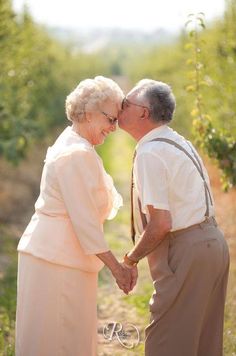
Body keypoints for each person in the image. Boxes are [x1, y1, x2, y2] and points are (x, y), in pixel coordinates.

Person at [15, 76, 137, 356]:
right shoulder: (76, 153)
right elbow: (85, 223)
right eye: (111, 119)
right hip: (57, 259)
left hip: (59, 256)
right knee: (60, 339)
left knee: (64, 337)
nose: (114, 128)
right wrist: (117, 269)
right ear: (89, 112)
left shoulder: (75, 142)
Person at [119, 79, 230, 356]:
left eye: (126, 103)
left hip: (187, 250)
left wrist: (130, 260)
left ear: (143, 112)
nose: (120, 107)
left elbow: (161, 223)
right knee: (203, 343)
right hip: (213, 242)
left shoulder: (150, 152)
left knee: (165, 344)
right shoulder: (178, 141)